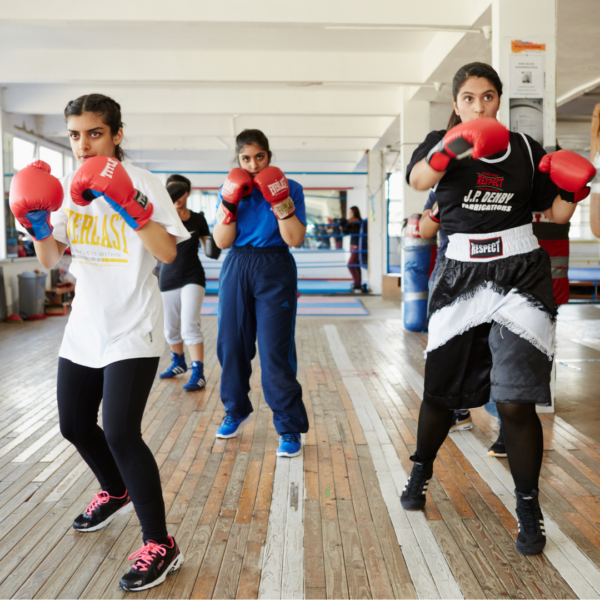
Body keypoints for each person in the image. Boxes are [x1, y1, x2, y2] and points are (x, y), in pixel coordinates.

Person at [400, 62, 595, 556]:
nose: (479, 105)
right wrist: (452, 147)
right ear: (456, 102)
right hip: (460, 272)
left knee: (515, 400)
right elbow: (420, 180)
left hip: (519, 273)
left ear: (499, 99)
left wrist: (573, 190)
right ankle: (420, 470)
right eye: (469, 97)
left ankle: (528, 507)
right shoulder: (440, 141)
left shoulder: (528, 151)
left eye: (488, 97)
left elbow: (555, 216)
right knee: (442, 394)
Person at [9, 94, 190, 591]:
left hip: (133, 328)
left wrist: (131, 205)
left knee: (120, 433)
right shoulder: (68, 188)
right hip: (84, 329)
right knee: (72, 425)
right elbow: (48, 260)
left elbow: (168, 253)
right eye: (74, 134)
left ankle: (161, 543)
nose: (83, 143)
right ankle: (114, 490)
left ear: (116, 135)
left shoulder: (145, 182)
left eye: (94, 133)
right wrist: (38, 224)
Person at [212, 129, 309, 458]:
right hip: (237, 263)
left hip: (275, 265)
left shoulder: (290, 187)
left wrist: (280, 201)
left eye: (259, 157)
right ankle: (235, 410)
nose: (253, 164)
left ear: (269, 156)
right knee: (231, 346)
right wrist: (229, 202)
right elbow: (222, 242)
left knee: (274, 352)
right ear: (238, 159)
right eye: (245, 158)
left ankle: (289, 427)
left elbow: (294, 239)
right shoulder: (231, 189)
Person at [420, 192, 473, 433]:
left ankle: (506, 423)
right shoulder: (443, 186)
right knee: (445, 347)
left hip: (494, 269)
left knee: (495, 346)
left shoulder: (502, 177)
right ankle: (459, 412)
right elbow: (424, 230)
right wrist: (440, 205)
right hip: (448, 271)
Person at [158, 174, 211, 391]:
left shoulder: (198, 218)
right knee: (170, 329)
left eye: (181, 191)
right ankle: (178, 363)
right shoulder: (161, 218)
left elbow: (209, 245)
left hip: (192, 276)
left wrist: (213, 243)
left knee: (189, 324)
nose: (177, 196)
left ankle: (198, 372)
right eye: (172, 191)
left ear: (187, 192)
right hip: (168, 277)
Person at [344, 206, 364, 292]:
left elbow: (347, 221)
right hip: (353, 244)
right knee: (355, 264)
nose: (350, 214)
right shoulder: (353, 222)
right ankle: (357, 284)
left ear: (355, 212)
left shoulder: (357, 220)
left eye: (351, 212)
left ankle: (357, 284)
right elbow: (346, 230)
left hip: (356, 245)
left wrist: (343, 223)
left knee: (351, 264)